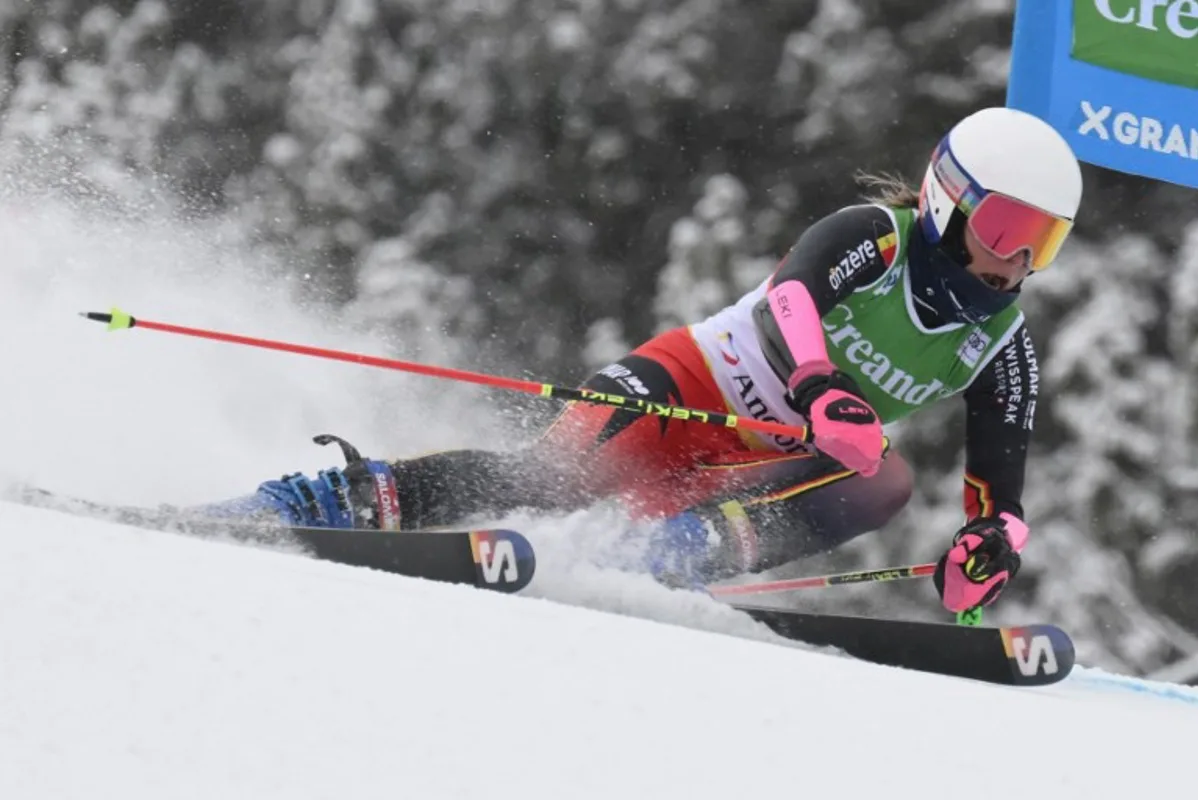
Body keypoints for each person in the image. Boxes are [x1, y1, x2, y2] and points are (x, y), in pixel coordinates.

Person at [198, 106, 1081, 614]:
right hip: (687, 387)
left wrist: (993, 538)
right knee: (553, 480)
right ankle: (323, 500)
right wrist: (818, 385)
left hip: (747, 468)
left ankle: (658, 561)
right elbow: (792, 298)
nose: (1016, 260)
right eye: (1004, 227)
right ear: (946, 201)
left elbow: (999, 476)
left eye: (1043, 241)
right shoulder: (874, 240)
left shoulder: (1002, 343)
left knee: (886, 483)